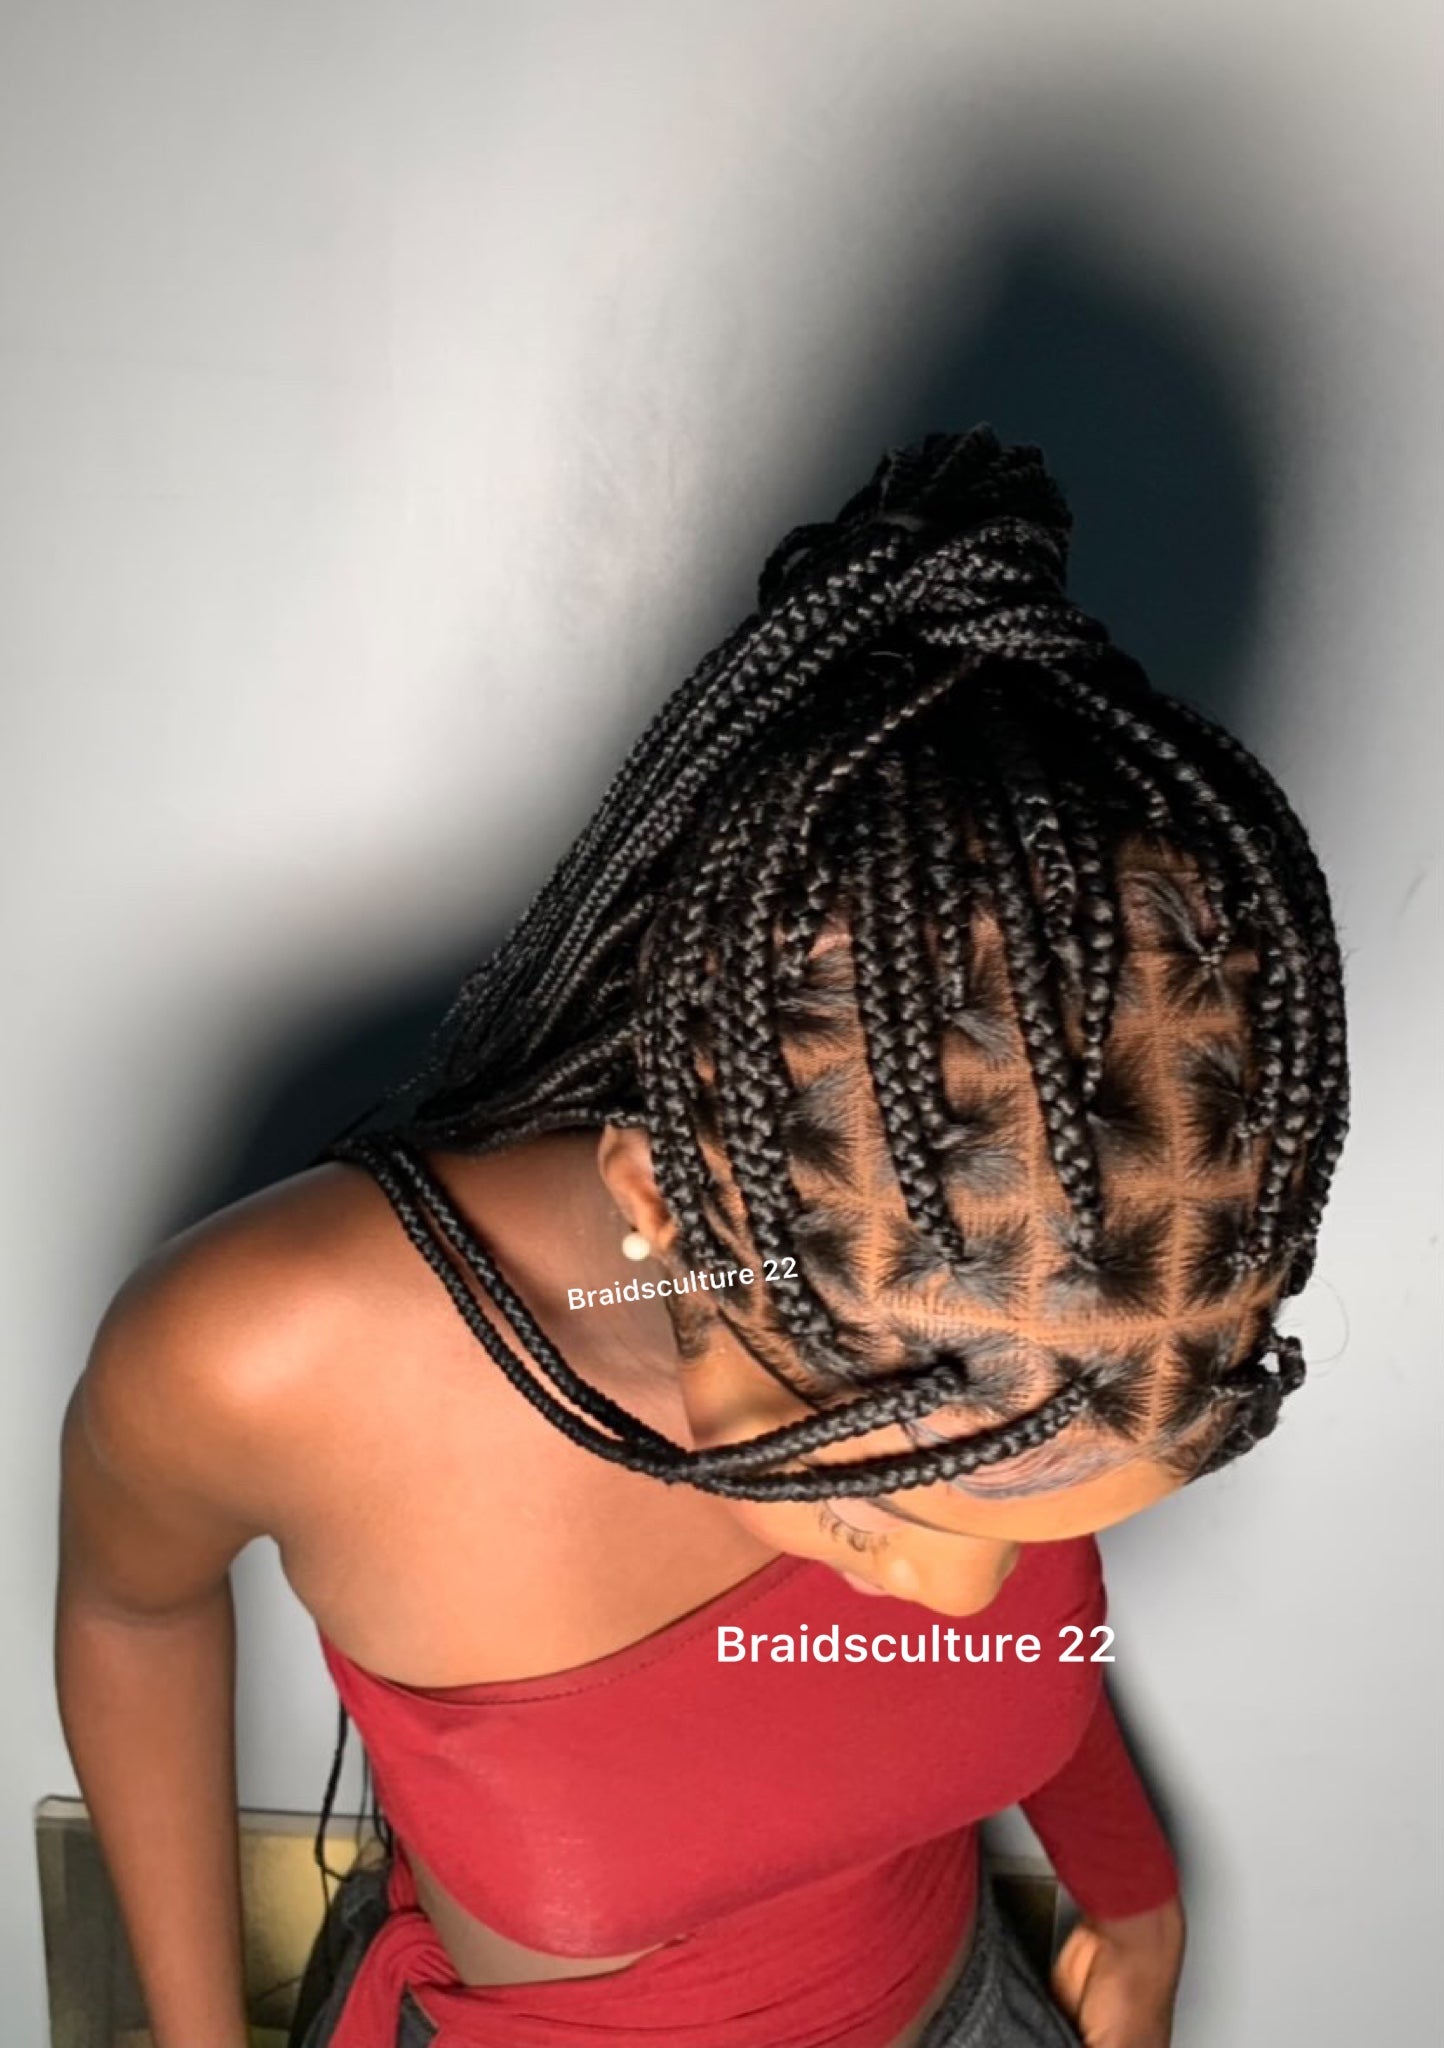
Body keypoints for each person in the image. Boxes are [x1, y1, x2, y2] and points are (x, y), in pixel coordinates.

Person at [54, 427, 1349, 2048]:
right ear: (667, 1207)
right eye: (878, 1514)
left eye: (1041, 1526)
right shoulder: (285, 1356)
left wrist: (1136, 1901)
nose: (967, 1603)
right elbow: (133, 1614)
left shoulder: (1020, 1327)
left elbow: (1031, 1620)